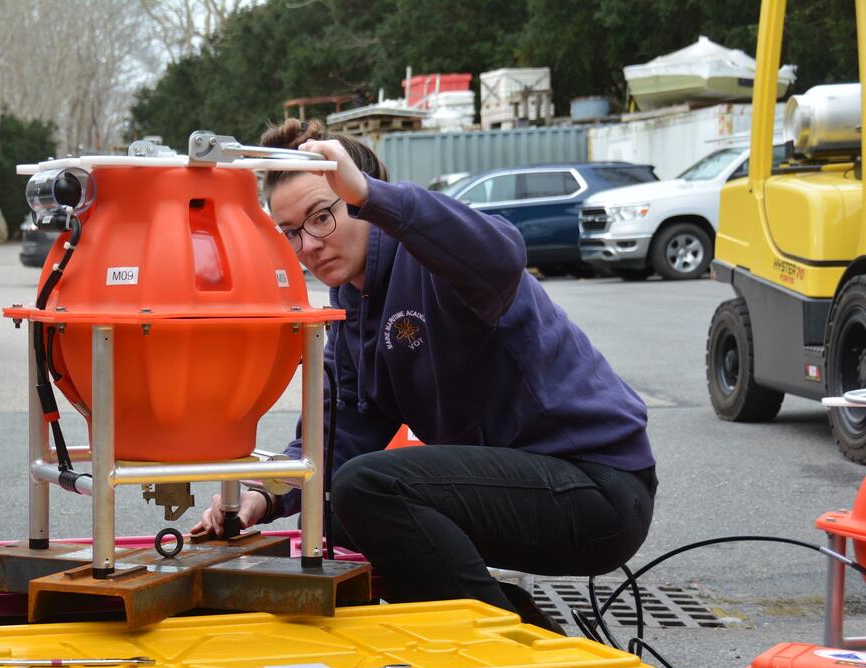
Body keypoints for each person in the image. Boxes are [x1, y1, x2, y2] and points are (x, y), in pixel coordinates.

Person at [193, 119, 657, 623]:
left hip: (597, 488)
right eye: (291, 232)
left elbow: (502, 253)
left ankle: (507, 652)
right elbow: (335, 437)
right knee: (334, 513)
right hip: (521, 489)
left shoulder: (436, 258)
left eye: (322, 217)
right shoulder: (351, 308)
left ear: (361, 197)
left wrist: (374, 196)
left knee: (366, 489)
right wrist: (262, 494)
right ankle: (515, 625)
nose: (308, 244)